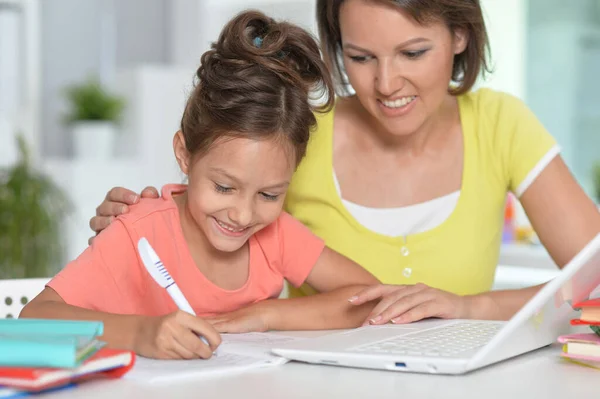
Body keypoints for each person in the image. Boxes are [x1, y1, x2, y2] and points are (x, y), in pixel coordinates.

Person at [89, 0, 600, 327]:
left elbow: (594, 279)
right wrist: (139, 227)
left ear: (460, 36)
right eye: (360, 57)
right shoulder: (300, 136)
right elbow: (206, 227)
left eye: (413, 52)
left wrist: (470, 307)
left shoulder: (500, 124)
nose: (385, 84)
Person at [20, 10, 380, 360]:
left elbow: (370, 297)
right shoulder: (138, 231)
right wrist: (140, 333)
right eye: (224, 187)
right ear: (185, 154)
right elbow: (35, 318)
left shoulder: (277, 235)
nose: (242, 214)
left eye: (269, 194)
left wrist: (266, 314)